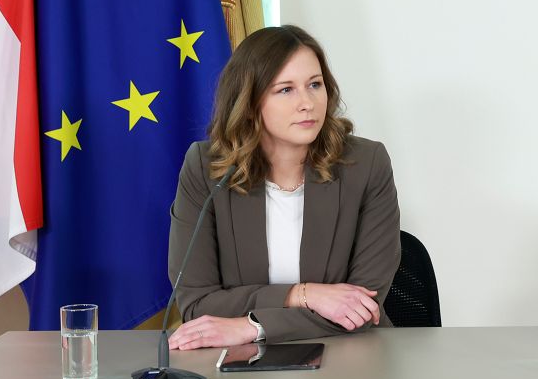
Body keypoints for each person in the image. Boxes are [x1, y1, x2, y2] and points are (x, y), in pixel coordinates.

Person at [167, 24, 401, 349]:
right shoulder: (206, 169)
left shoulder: (366, 164)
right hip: (237, 366)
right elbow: (197, 302)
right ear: (250, 103)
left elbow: (361, 305)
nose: (307, 103)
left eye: (315, 85)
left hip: (350, 355)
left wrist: (253, 327)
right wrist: (304, 294)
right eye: (286, 90)